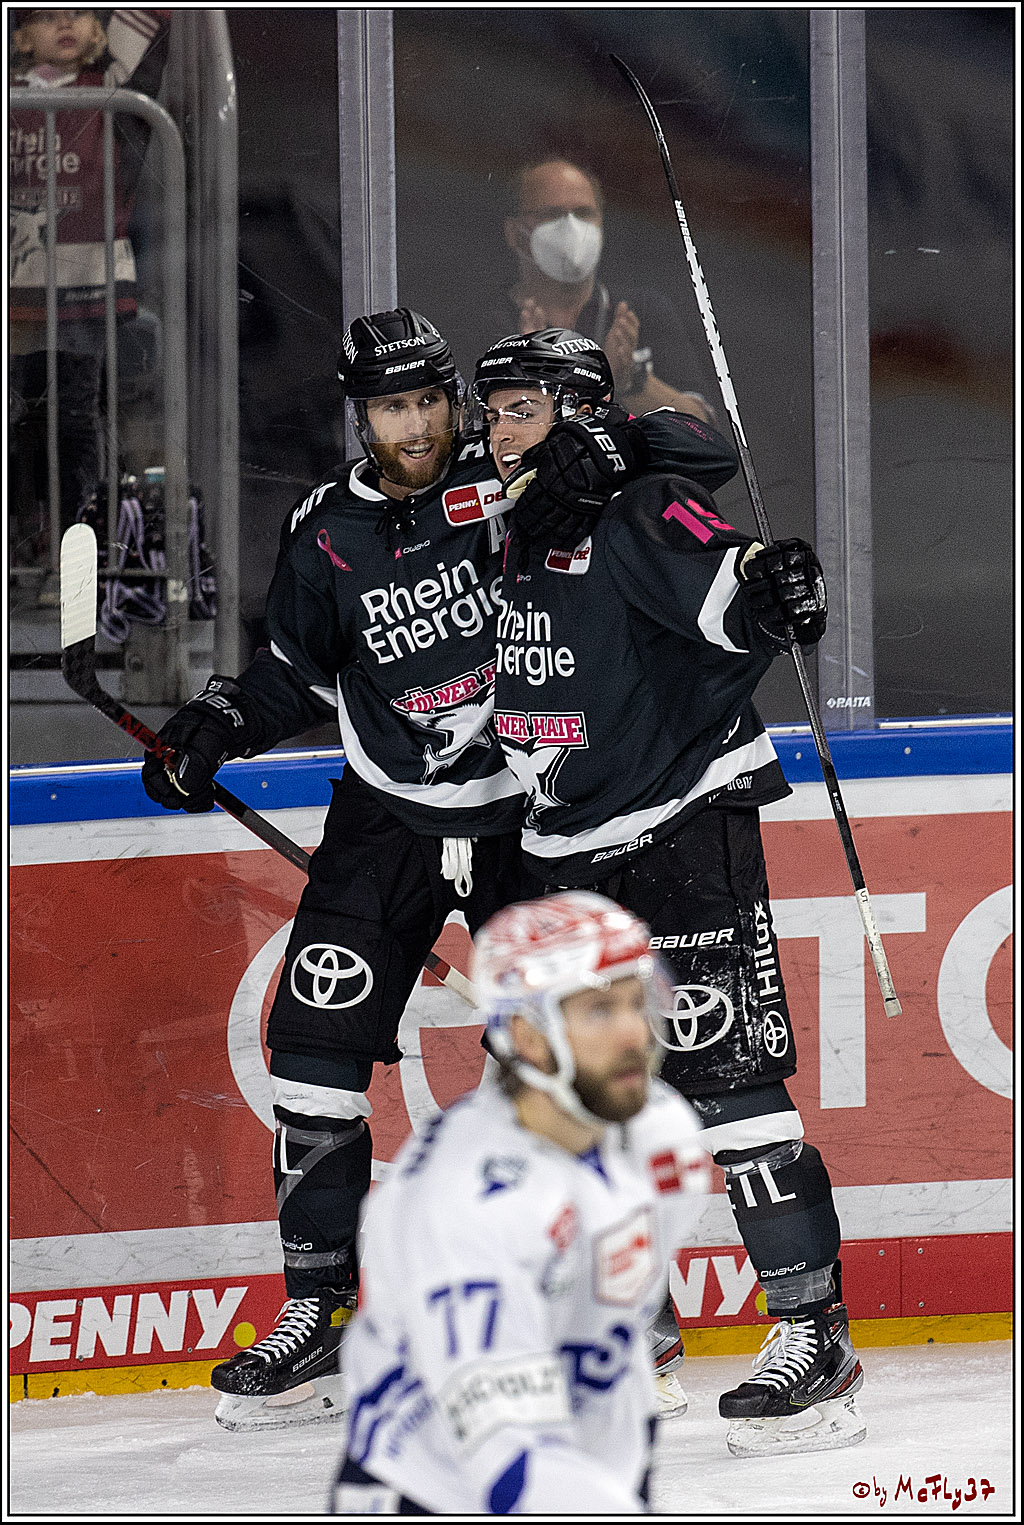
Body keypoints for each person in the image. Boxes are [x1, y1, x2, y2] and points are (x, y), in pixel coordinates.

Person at [137, 308, 738, 1431]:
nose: (414, 426)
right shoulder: (328, 532)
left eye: (428, 401)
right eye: (388, 407)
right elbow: (290, 673)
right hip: (384, 824)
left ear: (454, 398)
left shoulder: (515, 477)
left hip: (529, 820)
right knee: (311, 1063)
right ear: (357, 414)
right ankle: (318, 1316)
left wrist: (610, 446)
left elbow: (702, 459)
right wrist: (211, 725)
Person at [474, 328, 867, 1459]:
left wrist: (773, 587)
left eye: (519, 409)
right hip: (565, 846)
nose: (494, 430)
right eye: (490, 409)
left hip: (677, 824)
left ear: (576, 414)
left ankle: (812, 1335)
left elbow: (726, 564)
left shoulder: (632, 508)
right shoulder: (506, 516)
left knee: (729, 1085)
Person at [332, 891, 709, 1515]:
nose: (635, 1033)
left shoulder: (661, 1134)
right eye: (597, 1010)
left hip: (590, 1454)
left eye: (637, 1002)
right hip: (440, 1489)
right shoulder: (470, 1208)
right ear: (529, 1037)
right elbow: (505, 1464)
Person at [9, 8, 170, 585]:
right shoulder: (8, 94)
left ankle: (79, 546)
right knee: (13, 416)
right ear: (21, 36)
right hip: (15, 292)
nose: (67, 24)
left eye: (78, 12)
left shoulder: (108, 87)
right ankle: (21, 542)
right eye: (48, 16)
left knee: (75, 416)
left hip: (85, 288)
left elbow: (151, 23)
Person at [500, 156, 716, 423]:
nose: (571, 227)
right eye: (551, 214)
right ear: (513, 232)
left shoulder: (640, 312)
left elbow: (703, 427)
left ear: (601, 224)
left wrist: (628, 380)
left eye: (583, 213)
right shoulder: (486, 321)